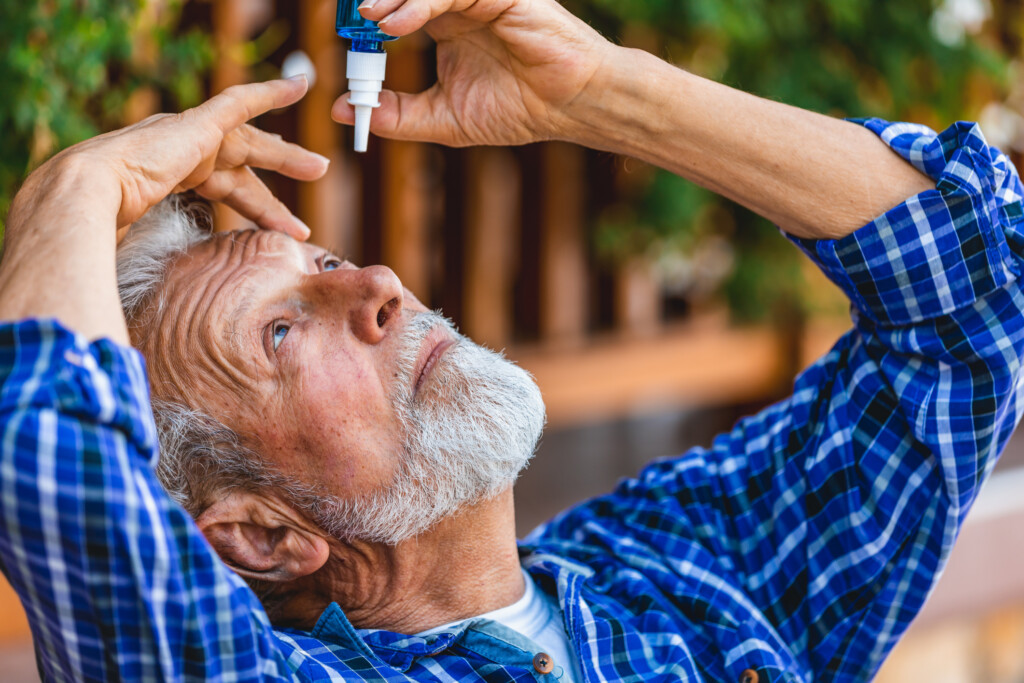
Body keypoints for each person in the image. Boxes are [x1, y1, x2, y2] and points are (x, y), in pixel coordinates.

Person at [0, 0, 1021, 679]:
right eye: (278, 331)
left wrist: (603, 94)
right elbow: (59, 473)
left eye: (321, 264)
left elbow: (967, 300)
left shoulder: (682, 571)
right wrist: (71, 192)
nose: (379, 283)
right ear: (266, 534)